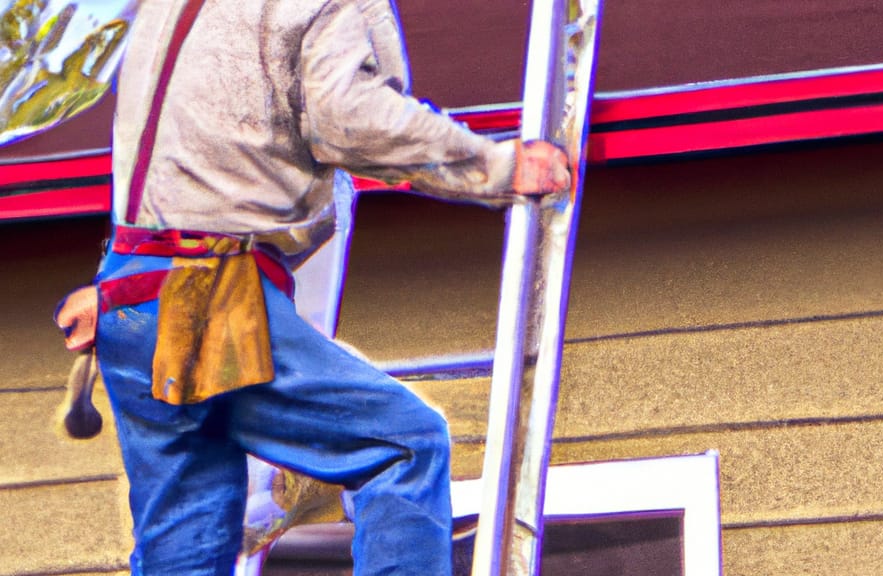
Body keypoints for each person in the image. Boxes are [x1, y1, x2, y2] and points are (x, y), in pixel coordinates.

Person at [54, 0, 571, 574]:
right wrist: (496, 166)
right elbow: (350, 119)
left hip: (129, 297)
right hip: (211, 294)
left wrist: (122, 284)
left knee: (185, 538)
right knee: (402, 446)